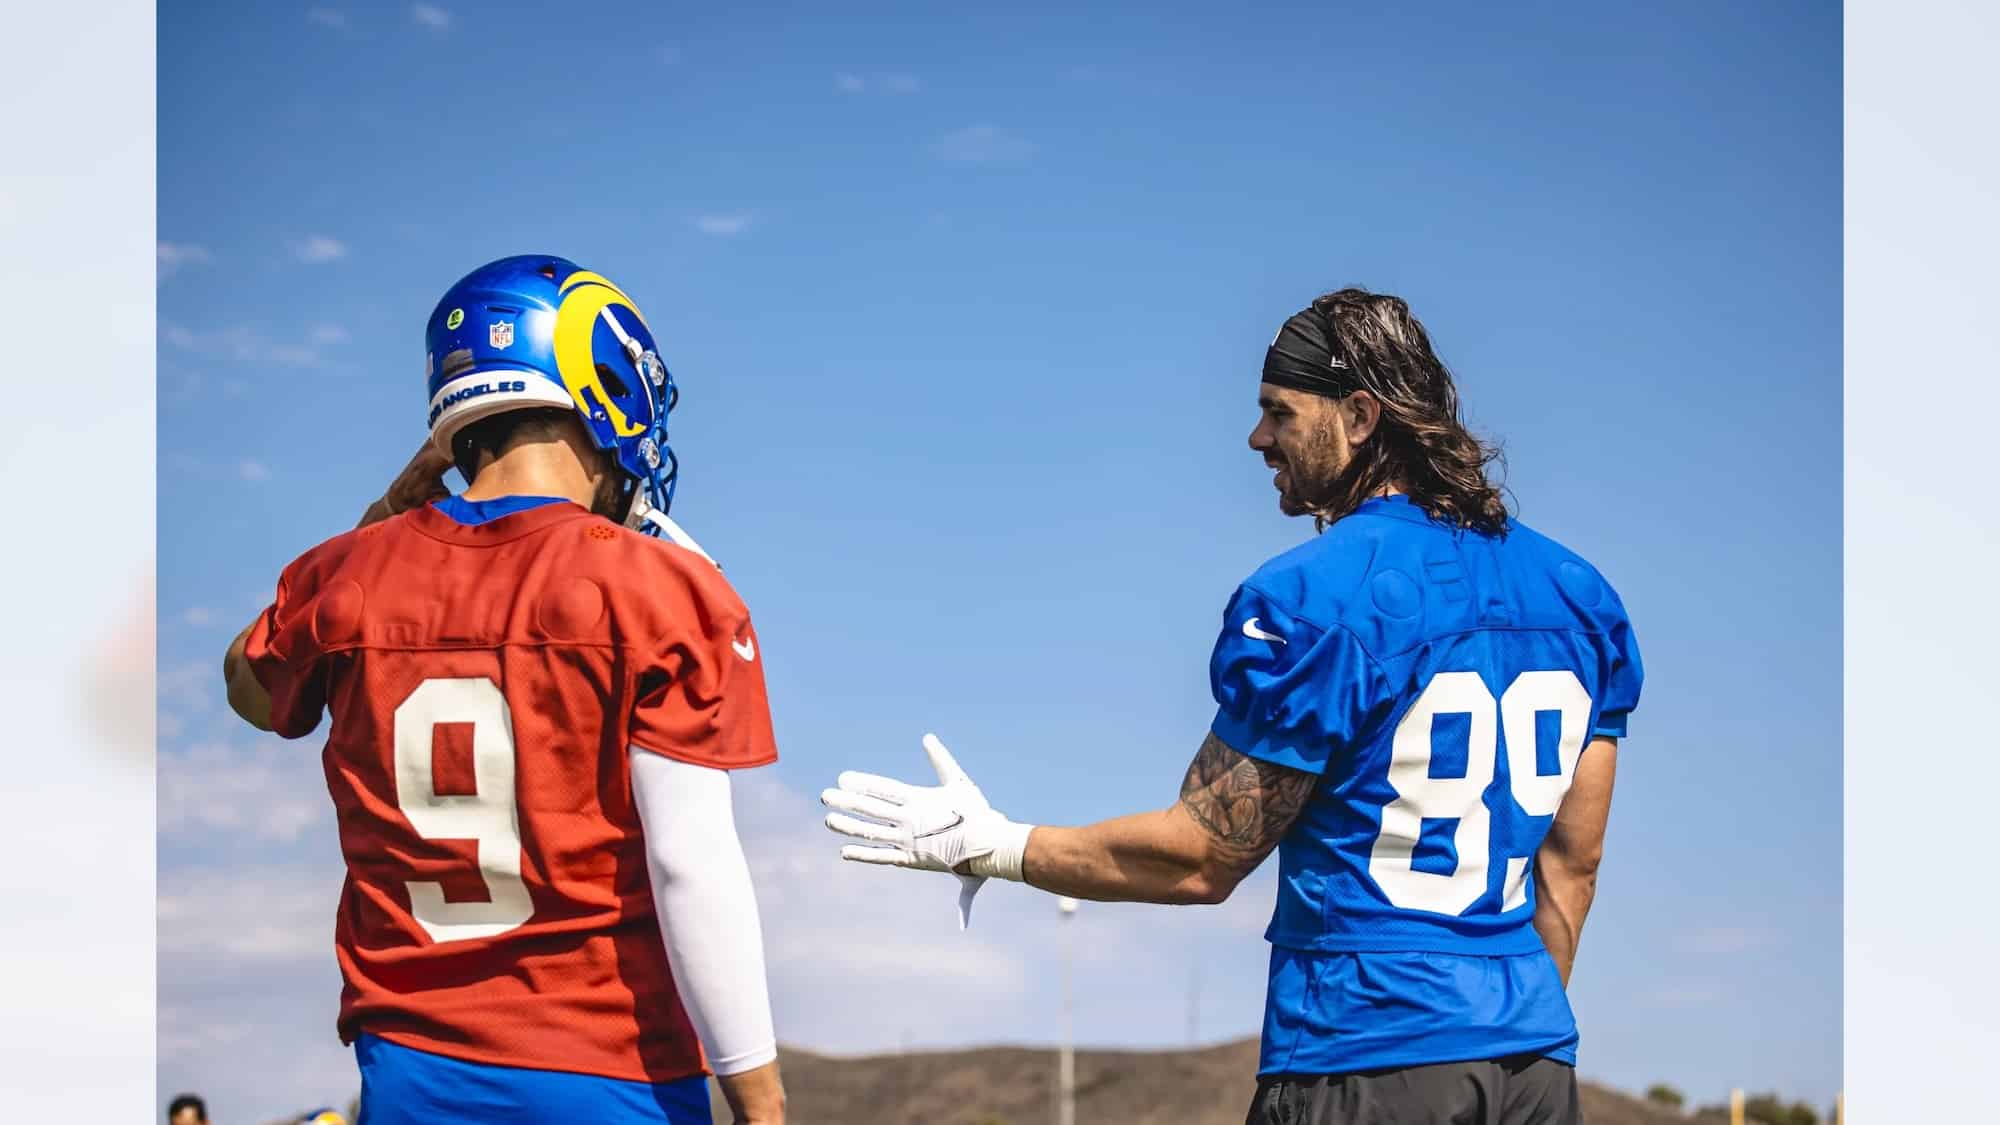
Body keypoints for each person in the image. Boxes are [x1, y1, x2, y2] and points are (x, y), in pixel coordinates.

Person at [821, 288, 1642, 1125]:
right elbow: (1573, 864)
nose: (1258, 439)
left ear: (1359, 416)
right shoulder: (1580, 598)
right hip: (1532, 1064)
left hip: (1365, 1047)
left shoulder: (1317, 595)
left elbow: (1201, 857)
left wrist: (993, 846)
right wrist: (1496, 1023)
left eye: (1278, 413)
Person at [223, 255, 786, 1125]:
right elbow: (690, 863)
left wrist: (378, 517)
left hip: (409, 1069)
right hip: (608, 1065)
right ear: (601, 383)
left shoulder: (344, 576)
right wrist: (762, 1103)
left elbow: (249, 692)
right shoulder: (655, 584)